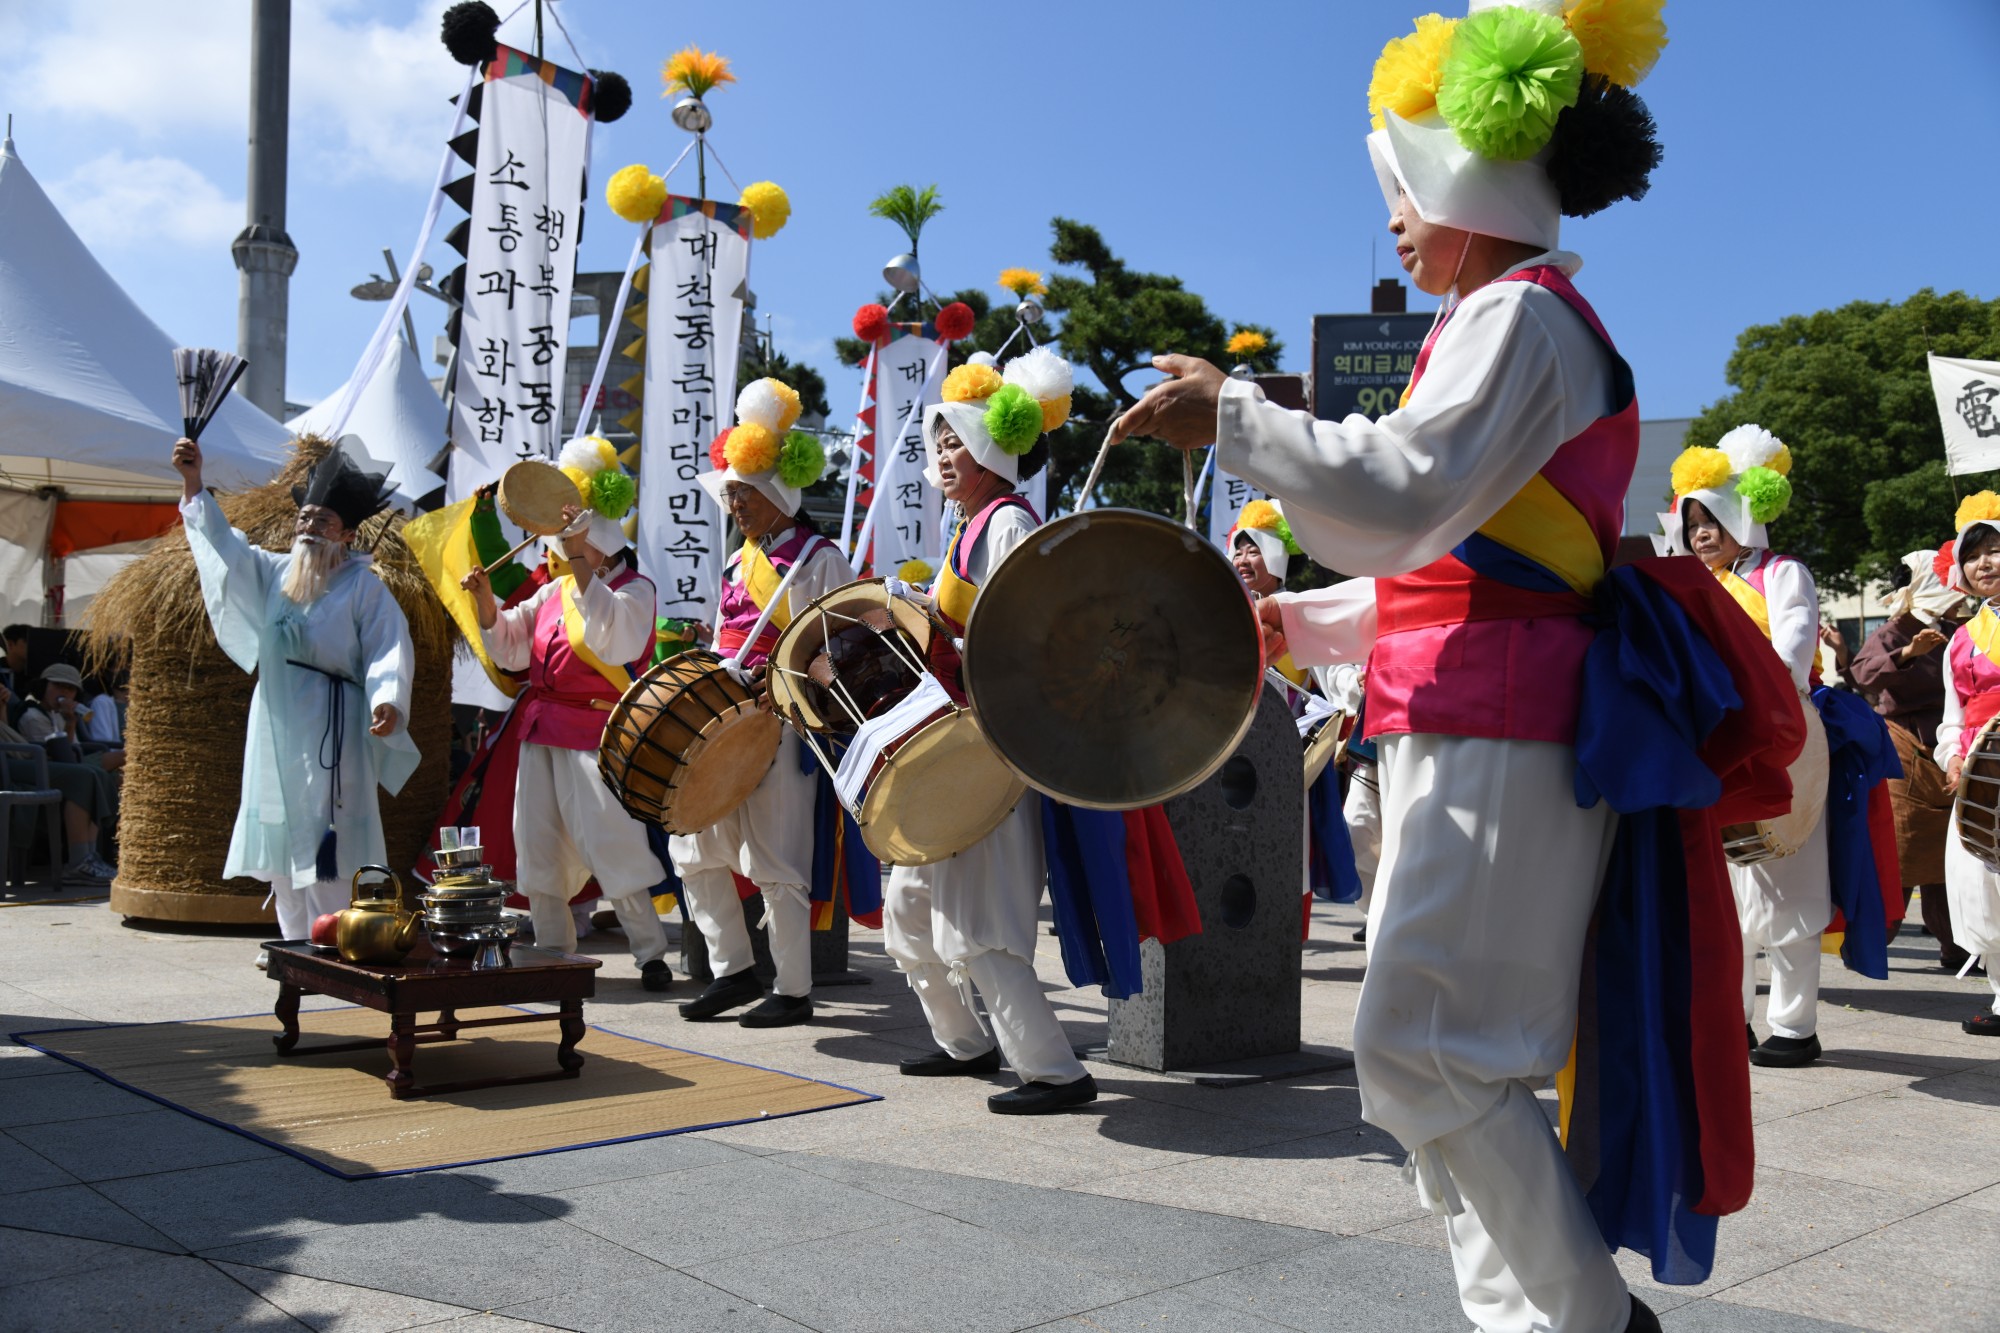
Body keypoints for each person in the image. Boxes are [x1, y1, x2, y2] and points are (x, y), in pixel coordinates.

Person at [1109, 7, 1690, 1325]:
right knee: (1447, 1062)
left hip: (1504, 726)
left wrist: (1236, 416)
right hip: (1477, 714)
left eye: (1405, 191)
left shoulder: (1520, 317)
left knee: (1431, 1054)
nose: (1393, 222)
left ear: (1468, 184)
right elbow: (1448, 567)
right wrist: (1299, 622)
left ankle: (1592, 1321)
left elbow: (1406, 487)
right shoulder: (1503, 321)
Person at [883, 350, 1099, 1115]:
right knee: (909, 912)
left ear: (990, 449)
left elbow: (1032, 641)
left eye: (956, 443)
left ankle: (1054, 1071)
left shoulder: (1007, 522)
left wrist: (937, 632)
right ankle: (964, 1043)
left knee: (981, 920)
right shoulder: (972, 525)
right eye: (938, 443)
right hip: (959, 745)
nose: (942, 456)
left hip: (994, 747)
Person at [173, 435, 417, 959]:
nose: (308, 527)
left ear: (347, 534)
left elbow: (388, 649)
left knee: (332, 836)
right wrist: (194, 485)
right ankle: (292, 947)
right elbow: (225, 548)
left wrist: (387, 699)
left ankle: (336, 941)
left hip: (335, 724)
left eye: (322, 520)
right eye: (304, 518)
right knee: (280, 836)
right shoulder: (274, 572)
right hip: (276, 720)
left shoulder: (364, 588)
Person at [669, 379, 856, 1028]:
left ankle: (794, 989)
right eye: (730, 493)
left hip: (783, 724)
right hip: (724, 722)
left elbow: (840, 649)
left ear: (777, 494)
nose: (734, 503)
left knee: (777, 862)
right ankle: (733, 969)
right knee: (691, 847)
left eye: (743, 492)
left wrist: (781, 679)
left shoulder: (819, 558)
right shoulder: (735, 563)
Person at [463, 437, 674, 993]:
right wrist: (485, 602)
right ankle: (554, 949)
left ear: (602, 547)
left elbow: (613, 642)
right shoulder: (553, 592)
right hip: (541, 732)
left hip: (596, 733)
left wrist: (579, 564)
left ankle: (650, 951)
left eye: (579, 546)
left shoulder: (635, 590)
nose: (566, 553)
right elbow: (512, 648)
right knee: (538, 843)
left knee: (613, 842)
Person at [1666, 433, 1835, 1068]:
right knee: (1723, 898)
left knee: (1786, 882)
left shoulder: (1782, 573)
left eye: (1711, 520)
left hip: (1778, 737)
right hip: (1713, 746)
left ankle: (1794, 1026)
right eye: (1692, 524)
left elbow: (1792, 649)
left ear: (1742, 516)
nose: (1701, 534)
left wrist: (1744, 698)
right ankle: (1728, 1020)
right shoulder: (1690, 587)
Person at [1852, 547, 1970, 970]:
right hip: (1902, 748)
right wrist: (1908, 653)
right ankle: (1870, 943)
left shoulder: (1960, 630)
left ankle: (1958, 946)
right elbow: (1862, 674)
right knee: (1898, 848)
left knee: (1951, 853)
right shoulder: (1895, 630)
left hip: (1951, 748)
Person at [1933, 494, 2000, 1032]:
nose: (1985, 563)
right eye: (1974, 556)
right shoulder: (1959, 639)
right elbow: (1952, 717)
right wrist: (1953, 756)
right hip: (1983, 774)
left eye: (1995, 550)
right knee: (1982, 886)